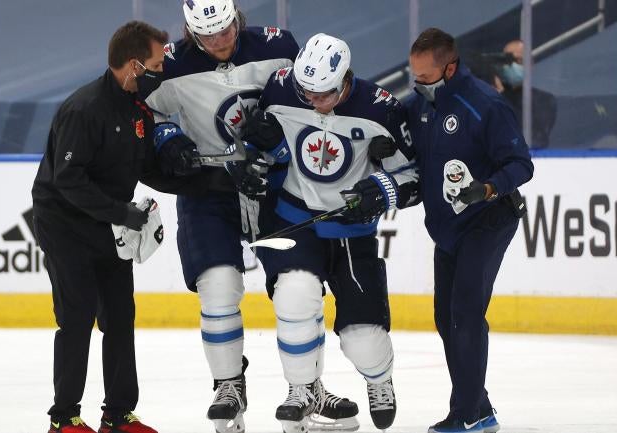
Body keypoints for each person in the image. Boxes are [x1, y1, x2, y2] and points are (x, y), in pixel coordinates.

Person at [143, 2, 357, 432]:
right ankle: (228, 386)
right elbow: (149, 113)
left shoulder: (278, 45)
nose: (220, 41)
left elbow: (314, 99)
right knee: (218, 288)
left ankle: (309, 388)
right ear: (189, 31)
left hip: (280, 188)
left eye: (226, 30)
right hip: (208, 191)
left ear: (236, 18)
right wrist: (168, 138)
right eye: (207, 36)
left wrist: (277, 135)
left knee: (299, 288)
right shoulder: (169, 63)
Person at [32, 21, 223, 433]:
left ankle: (117, 415)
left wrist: (211, 180)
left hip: (108, 226)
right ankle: (64, 418)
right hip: (65, 226)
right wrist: (122, 214)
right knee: (78, 318)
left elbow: (148, 168)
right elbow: (68, 180)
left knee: (120, 317)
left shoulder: (137, 108)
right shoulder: (83, 110)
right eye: (156, 63)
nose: (162, 69)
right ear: (134, 65)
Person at [240, 33, 420, 432]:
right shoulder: (282, 88)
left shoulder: (382, 110)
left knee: (364, 339)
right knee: (295, 294)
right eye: (306, 92)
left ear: (345, 81)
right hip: (292, 217)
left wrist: (382, 189)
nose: (312, 101)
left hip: (351, 230)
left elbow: (416, 178)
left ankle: (379, 379)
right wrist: (256, 154)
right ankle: (302, 388)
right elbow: (262, 145)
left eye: (322, 94)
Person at [403, 28, 534, 433]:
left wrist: (489, 187)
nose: (418, 84)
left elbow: (521, 164)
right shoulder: (417, 107)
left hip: (489, 219)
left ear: (450, 67)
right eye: (414, 76)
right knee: (446, 316)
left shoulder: (485, 105)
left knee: (464, 312)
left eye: (425, 77)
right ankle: (480, 404)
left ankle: (469, 412)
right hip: (447, 227)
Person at [500, 40, 557, 148]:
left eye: (519, 61)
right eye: (507, 60)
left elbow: (536, 136)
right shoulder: (488, 97)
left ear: (531, 65)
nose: (512, 65)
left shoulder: (545, 100)